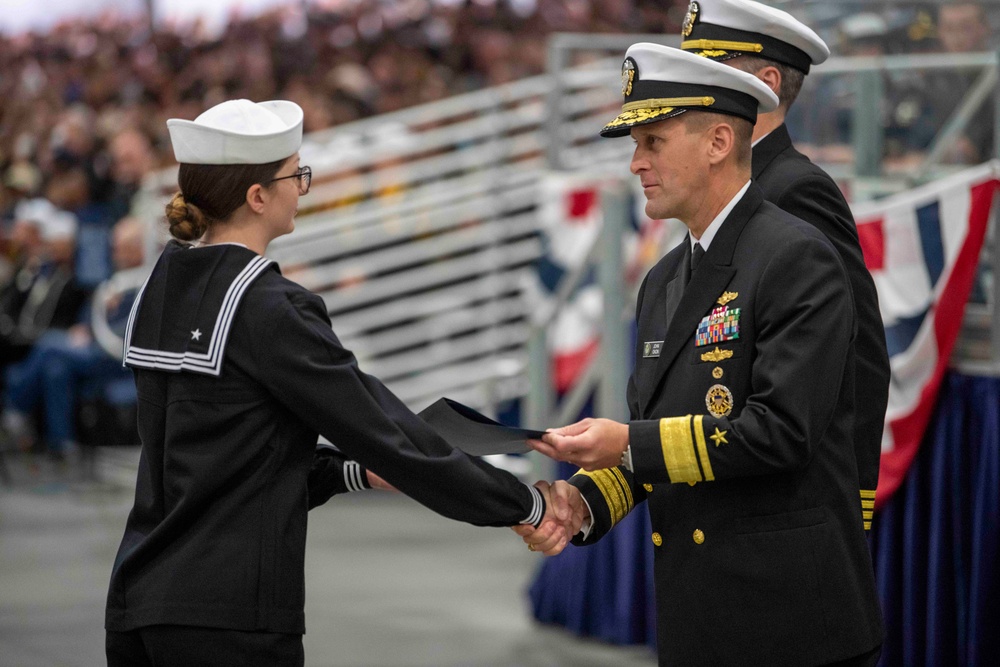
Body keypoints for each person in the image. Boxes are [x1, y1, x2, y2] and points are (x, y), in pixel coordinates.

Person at [104, 99, 563, 667]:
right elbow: (384, 430)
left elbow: (223, 453)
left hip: (139, 596)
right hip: (229, 615)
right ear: (257, 196)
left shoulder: (158, 287)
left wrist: (354, 472)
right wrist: (526, 505)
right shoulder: (271, 306)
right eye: (296, 174)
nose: (303, 186)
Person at [518, 43, 884, 666]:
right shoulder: (663, 280)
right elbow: (659, 433)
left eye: (652, 143)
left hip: (791, 621)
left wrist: (627, 442)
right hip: (698, 615)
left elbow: (781, 432)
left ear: (718, 142)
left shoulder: (798, 256)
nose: (635, 164)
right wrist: (584, 499)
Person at [677, 0, 890, 531]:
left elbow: (858, 347)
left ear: (768, 82)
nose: (690, 88)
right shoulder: (730, 183)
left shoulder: (795, 189)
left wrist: (855, 494)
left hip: (786, 502)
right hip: (729, 480)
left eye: (712, 69)